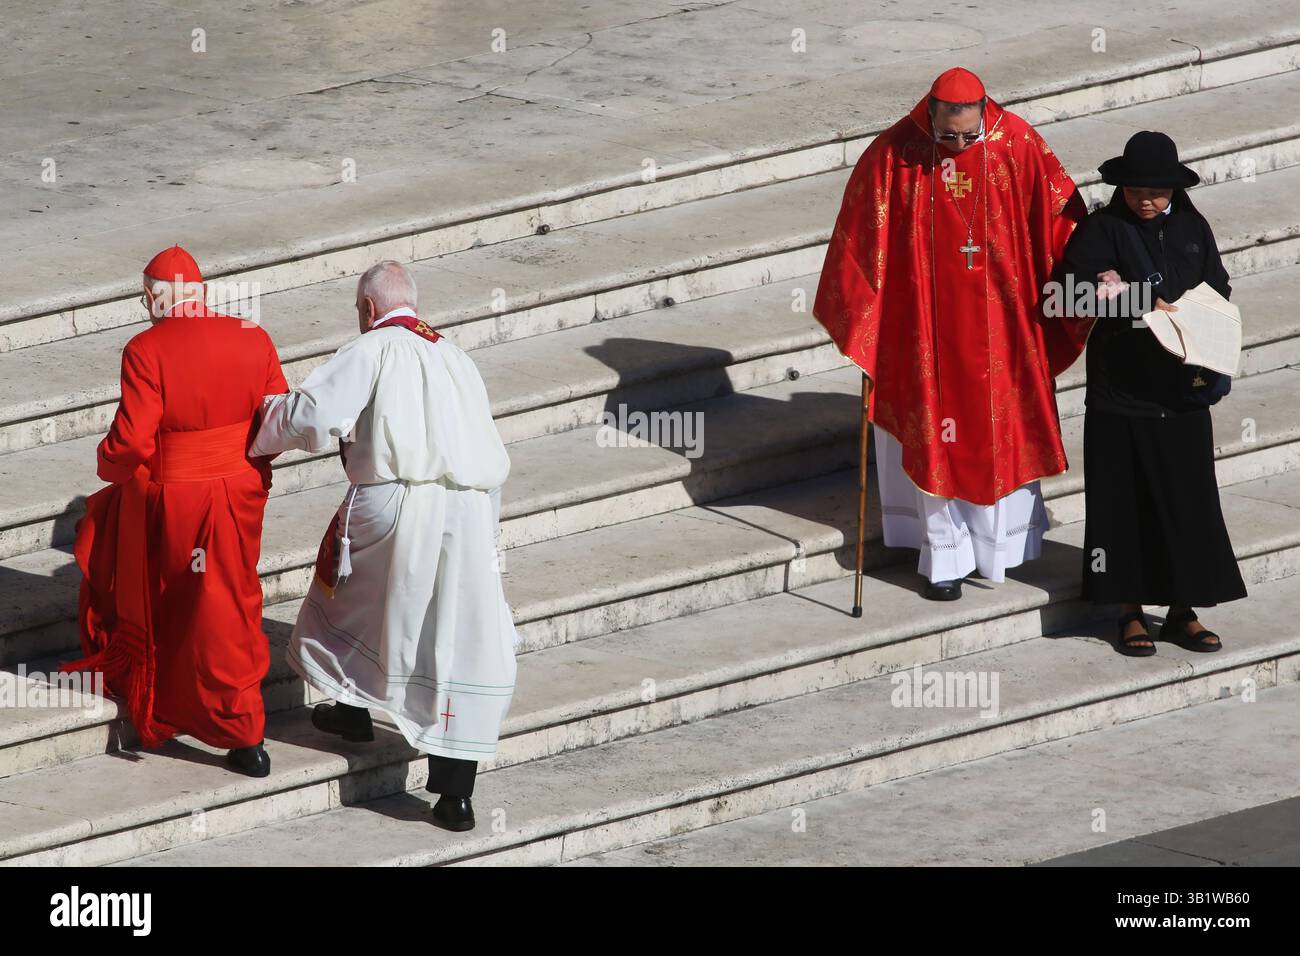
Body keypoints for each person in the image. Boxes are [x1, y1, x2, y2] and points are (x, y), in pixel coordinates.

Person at [250, 260, 517, 833]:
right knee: (454, 636)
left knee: (352, 599)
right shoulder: (457, 356)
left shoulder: (374, 348)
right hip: (469, 509)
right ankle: (454, 796)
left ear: (368, 309)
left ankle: (350, 710)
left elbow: (316, 411)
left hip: (398, 502)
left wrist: (263, 427)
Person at [815, 67, 1090, 600]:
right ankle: (943, 558)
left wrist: (1094, 263)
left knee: (994, 429)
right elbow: (859, 235)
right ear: (929, 116)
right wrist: (863, 312)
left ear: (986, 112)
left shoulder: (1017, 142)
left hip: (1003, 322)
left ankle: (995, 550)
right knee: (933, 433)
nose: (960, 145)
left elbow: (1061, 217)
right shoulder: (896, 153)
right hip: (924, 327)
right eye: (948, 136)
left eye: (970, 134)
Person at [61, 245, 287, 776]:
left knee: (180, 604)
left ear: (153, 296)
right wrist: (240, 461)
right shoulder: (254, 338)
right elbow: (277, 419)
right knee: (230, 602)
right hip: (240, 493)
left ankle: (188, 714)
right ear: (201, 291)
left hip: (178, 498)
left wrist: (108, 463)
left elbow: (133, 442)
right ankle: (241, 730)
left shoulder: (146, 348)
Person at [1061, 131, 1246, 655]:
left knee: (1186, 501)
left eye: (1158, 192)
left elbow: (1219, 285)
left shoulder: (1192, 226)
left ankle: (1183, 610)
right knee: (1123, 504)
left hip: (1183, 392)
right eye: (1137, 189)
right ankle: (1129, 612)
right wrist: (1138, 301)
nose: (1147, 200)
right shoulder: (1102, 229)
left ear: (1173, 190)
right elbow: (1062, 294)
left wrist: (1194, 313)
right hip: (1121, 394)